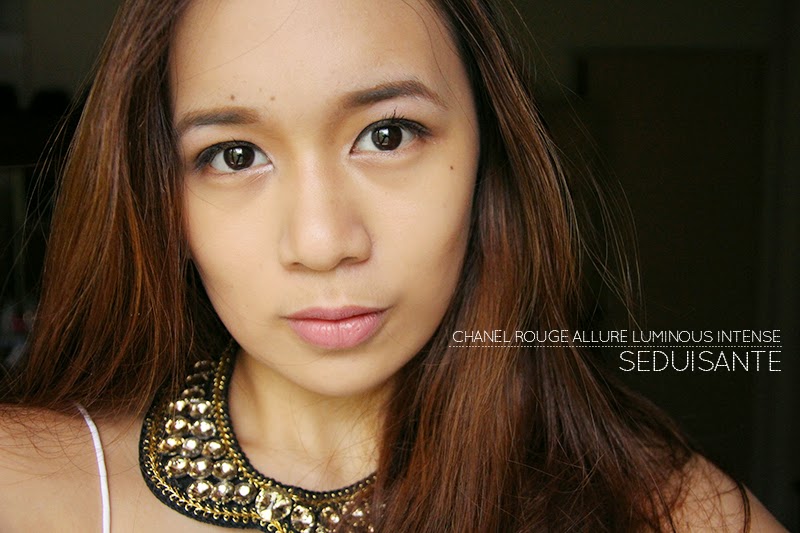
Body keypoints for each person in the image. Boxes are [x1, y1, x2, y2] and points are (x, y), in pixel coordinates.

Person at [0, 0, 788, 531]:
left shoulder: (676, 515)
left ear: (489, 155)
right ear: (162, 200)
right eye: (234, 155)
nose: (322, 241)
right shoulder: (25, 488)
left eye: (388, 134)